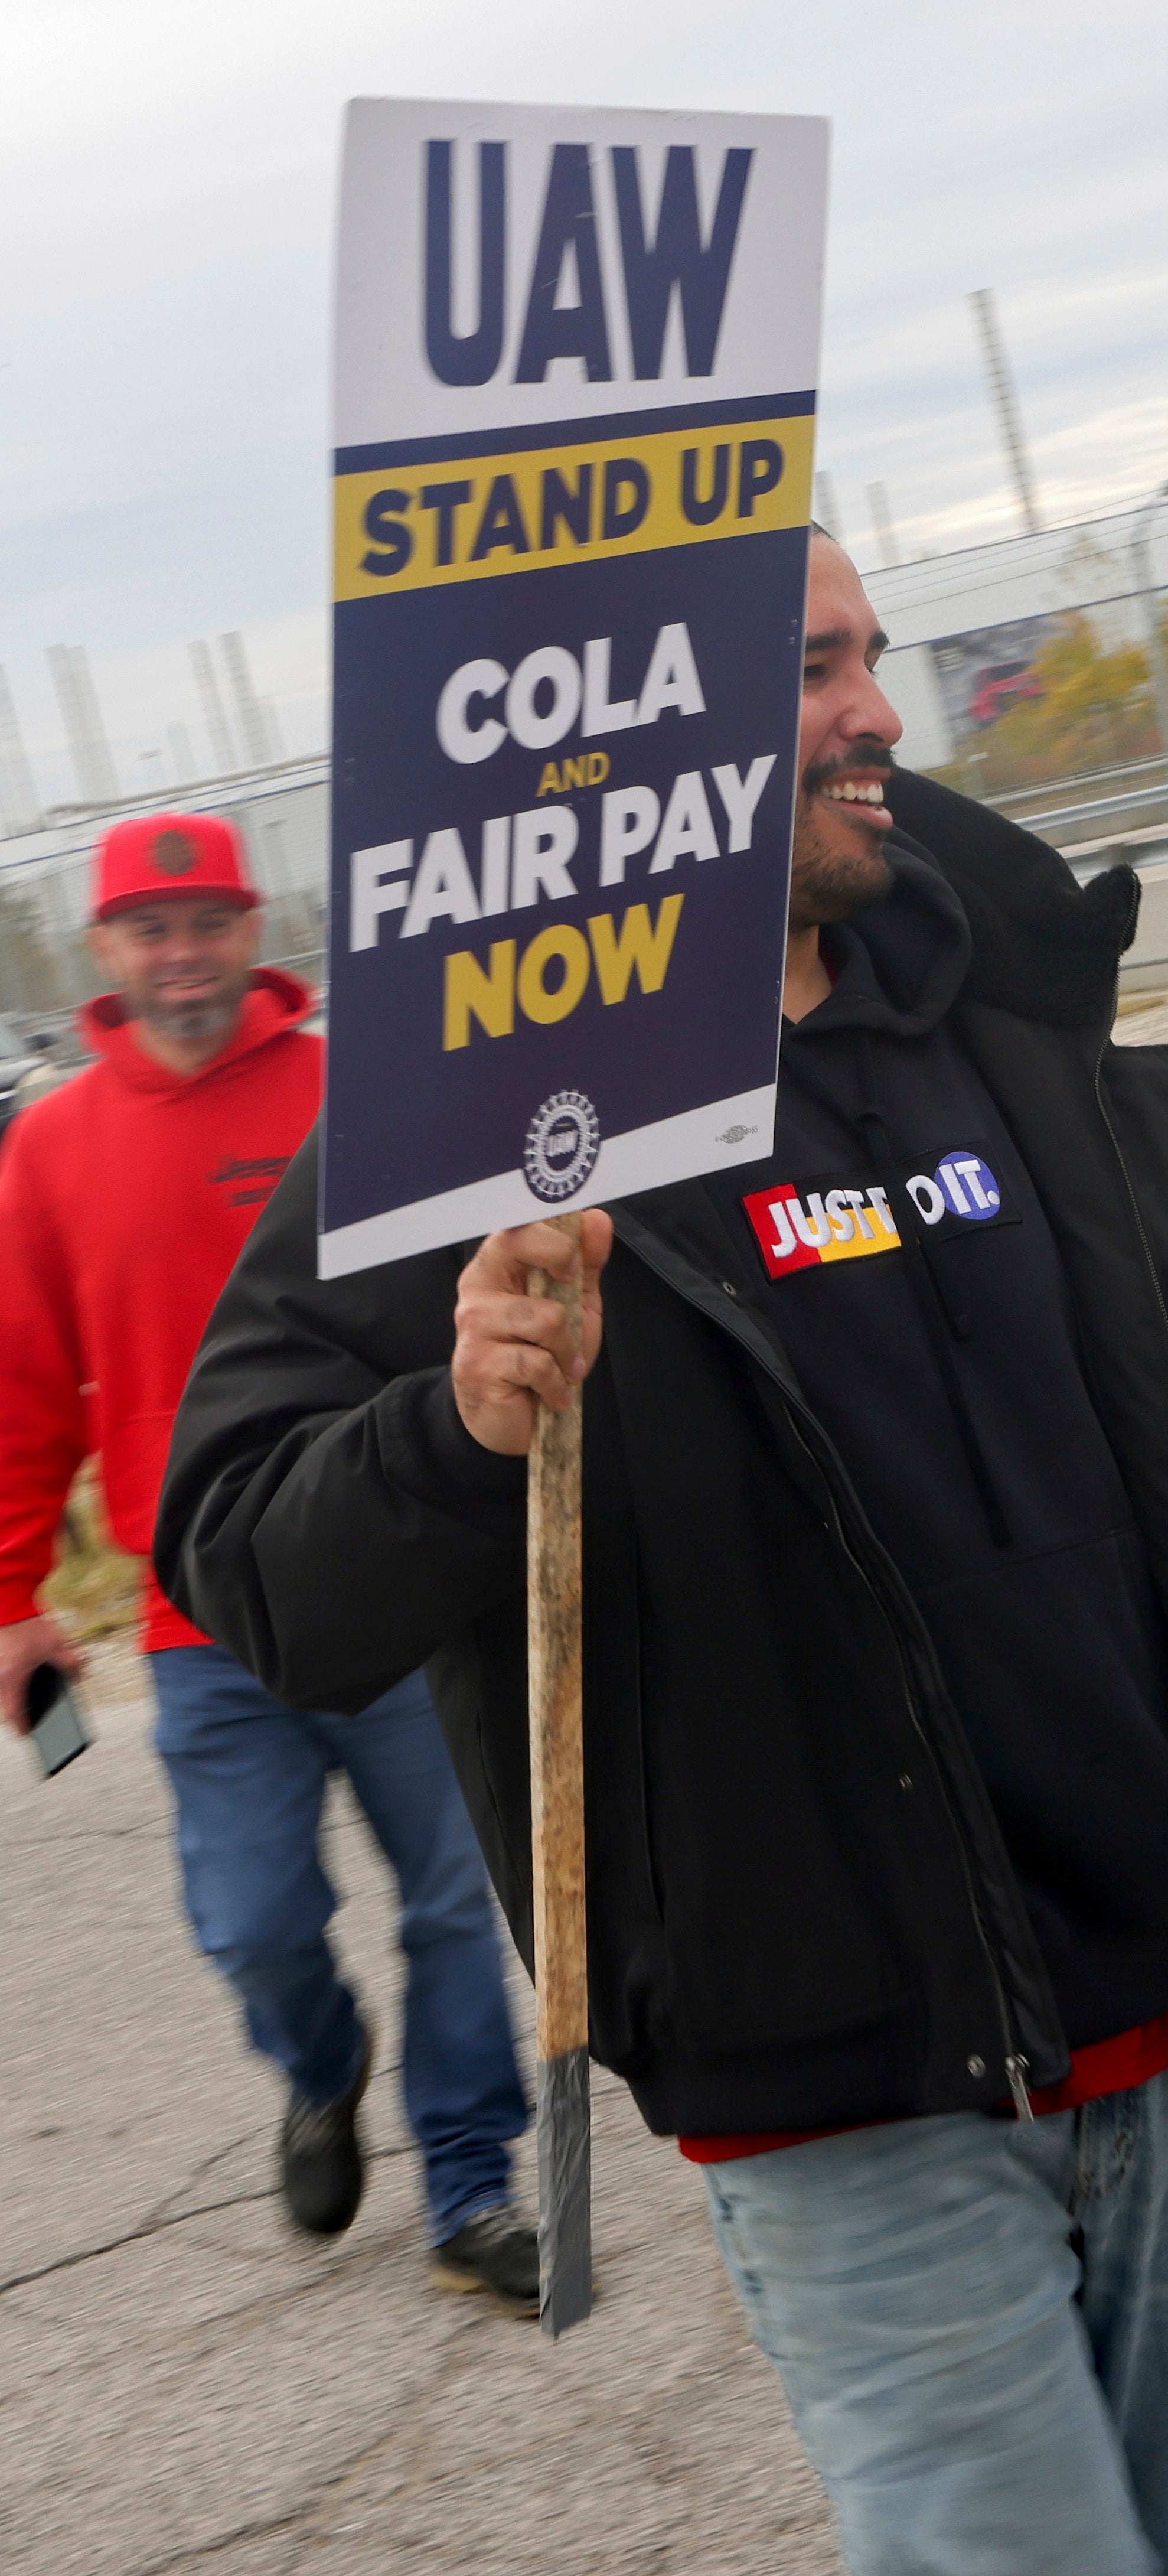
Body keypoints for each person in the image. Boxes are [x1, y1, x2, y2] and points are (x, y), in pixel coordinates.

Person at [162, 533, 1168, 2576]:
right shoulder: (479, 1109)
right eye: (812, 670)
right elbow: (253, 1571)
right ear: (629, 739)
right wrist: (458, 1428)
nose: (880, 714)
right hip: (838, 2085)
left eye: (868, 657)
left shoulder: (996, 1016)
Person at [0, 814, 534, 2307]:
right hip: (198, 1624)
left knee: (455, 1901)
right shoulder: (48, 1148)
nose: (184, 956)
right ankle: (321, 2065)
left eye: (209, 923)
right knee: (253, 1924)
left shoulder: (356, 1094)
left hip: (396, 1583)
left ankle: (473, 2184)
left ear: (253, 931)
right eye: (152, 929)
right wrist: (14, 1599)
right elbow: (23, 1389)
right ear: (107, 952)